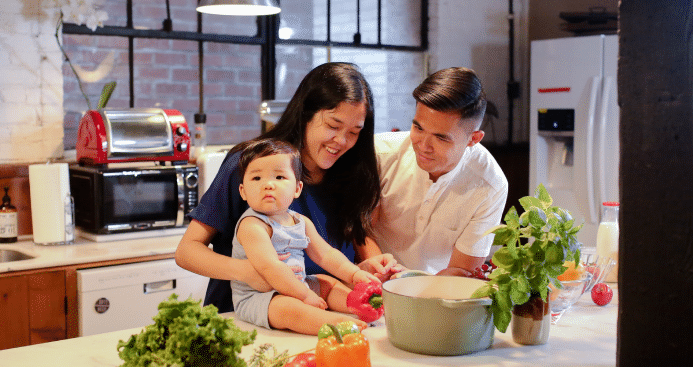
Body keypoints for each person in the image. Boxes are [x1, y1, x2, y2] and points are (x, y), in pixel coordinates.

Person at [175, 62, 397, 314]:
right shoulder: (253, 165)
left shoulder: (350, 174)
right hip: (244, 319)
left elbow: (338, 259)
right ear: (305, 115)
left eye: (354, 132)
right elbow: (187, 252)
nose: (342, 141)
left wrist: (363, 271)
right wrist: (248, 271)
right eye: (333, 126)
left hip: (319, 320)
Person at [359, 67, 508, 278]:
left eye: (441, 138)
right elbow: (361, 231)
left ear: (473, 139)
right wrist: (382, 272)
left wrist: (412, 285)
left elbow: (462, 272)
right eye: (418, 128)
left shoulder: (490, 185)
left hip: (435, 288)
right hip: (370, 277)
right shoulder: (380, 154)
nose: (423, 146)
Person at [230, 138, 380, 334]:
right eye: (257, 178)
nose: (268, 185)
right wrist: (303, 296)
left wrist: (354, 274)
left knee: (328, 283)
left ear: (297, 189)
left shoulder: (301, 221)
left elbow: (325, 254)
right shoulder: (252, 225)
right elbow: (271, 267)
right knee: (288, 309)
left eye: (279, 177)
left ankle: (357, 304)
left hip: (299, 284)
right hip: (261, 296)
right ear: (243, 191)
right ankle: (332, 323)